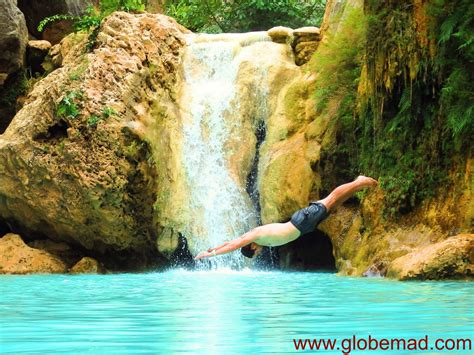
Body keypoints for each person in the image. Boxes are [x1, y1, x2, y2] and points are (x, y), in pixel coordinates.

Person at [194, 175, 378, 260]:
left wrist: (209, 255)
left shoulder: (254, 237)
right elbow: (231, 242)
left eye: (255, 251)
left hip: (300, 222)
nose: (259, 251)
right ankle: (357, 185)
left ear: (251, 246)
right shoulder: (254, 236)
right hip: (303, 226)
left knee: (330, 200)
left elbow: (234, 245)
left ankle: (359, 181)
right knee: (333, 205)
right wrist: (212, 249)